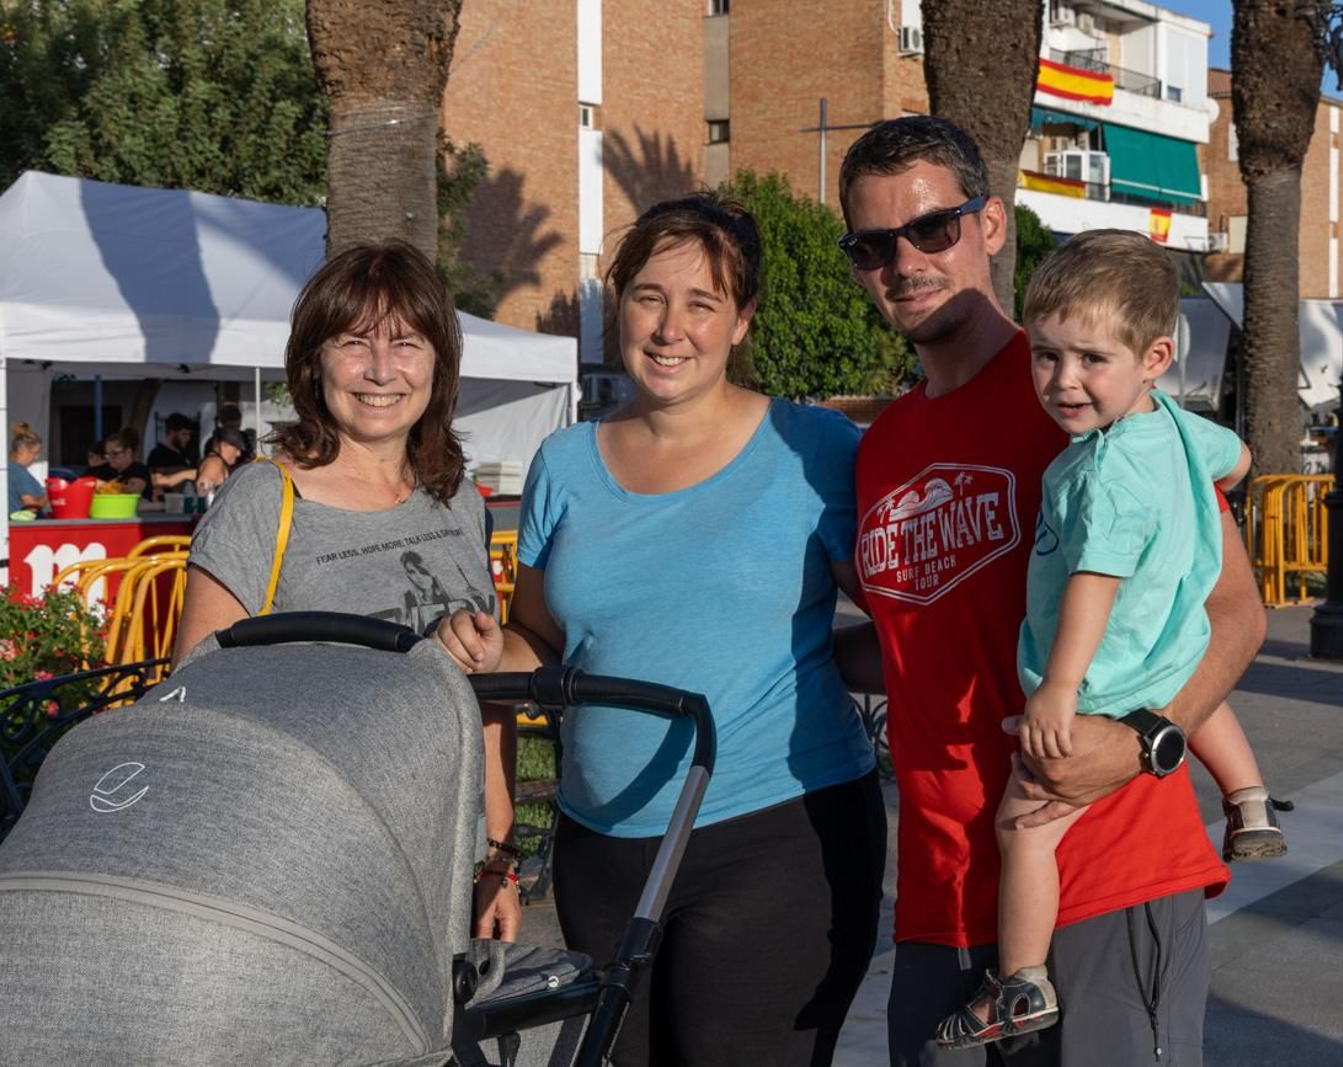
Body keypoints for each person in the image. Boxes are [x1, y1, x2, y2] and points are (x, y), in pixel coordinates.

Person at [833, 116, 1265, 1065]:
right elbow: (920, 641)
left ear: (990, 224)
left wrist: (1147, 740)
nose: (903, 261)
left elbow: (1233, 610)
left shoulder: (1097, 391)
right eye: (873, 244)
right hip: (941, 900)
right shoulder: (882, 448)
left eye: (931, 229)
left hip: (1104, 871)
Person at [436, 192, 887, 1066]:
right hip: (601, 848)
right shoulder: (565, 461)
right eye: (649, 296)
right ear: (618, 304)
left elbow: (909, 622)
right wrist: (489, 648)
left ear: (742, 319)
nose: (671, 326)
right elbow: (540, 640)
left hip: (776, 830)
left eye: (702, 302)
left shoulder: (815, 448)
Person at [937, 231, 1286, 1049]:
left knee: (1024, 829)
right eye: (1047, 356)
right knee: (1199, 699)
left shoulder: (1102, 471)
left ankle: (1021, 979)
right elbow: (1235, 458)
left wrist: (1059, 689)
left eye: (1090, 358)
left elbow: (1093, 580)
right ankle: (1249, 800)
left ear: (1154, 354)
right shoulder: (1171, 424)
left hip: (1101, 683)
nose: (1063, 381)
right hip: (1170, 648)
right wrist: (1224, 480)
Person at [171, 240, 517, 942]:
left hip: (445, 863)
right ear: (314, 361)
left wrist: (498, 857)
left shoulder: (457, 501)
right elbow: (193, 697)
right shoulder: (265, 499)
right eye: (355, 342)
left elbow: (487, 704)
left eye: (408, 344)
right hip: (311, 869)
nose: (382, 370)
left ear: (438, 364)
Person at [92, 429, 153, 498]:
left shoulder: (140, 470)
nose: (110, 458)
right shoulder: (105, 470)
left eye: (115, 454)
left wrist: (106, 487)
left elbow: (135, 489)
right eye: (108, 454)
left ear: (128, 452)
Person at [149, 412, 200, 494]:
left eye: (189, 434)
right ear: (171, 432)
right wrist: (185, 474)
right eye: (184, 434)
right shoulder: (157, 455)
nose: (188, 438)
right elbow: (156, 481)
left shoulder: (185, 453)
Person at [194, 425, 247, 499]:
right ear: (223, 445)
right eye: (237, 449)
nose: (238, 454)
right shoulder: (214, 463)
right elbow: (203, 486)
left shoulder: (217, 462)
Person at [8, 422, 48, 515]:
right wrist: (49, 494)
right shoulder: (18, 472)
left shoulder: (8, 469)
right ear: (22, 450)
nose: (36, 457)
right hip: (24, 525)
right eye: (35, 453)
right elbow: (32, 506)